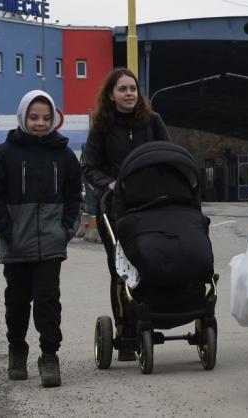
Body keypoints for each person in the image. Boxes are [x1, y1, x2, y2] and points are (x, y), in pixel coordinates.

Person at [0, 90, 82, 387]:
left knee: (48, 301)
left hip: (51, 245)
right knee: (17, 302)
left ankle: (49, 356)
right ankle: (17, 349)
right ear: (23, 116)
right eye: (34, 117)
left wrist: (66, 229)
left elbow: (75, 196)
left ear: (54, 120)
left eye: (46, 118)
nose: (40, 123)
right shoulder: (6, 152)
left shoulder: (63, 155)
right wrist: (7, 231)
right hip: (16, 246)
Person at [81, 67, 170, 362]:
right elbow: (89, 166)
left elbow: (167, 154)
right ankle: (126, 332)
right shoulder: (102, 128)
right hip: (116, 206)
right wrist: (109, 183)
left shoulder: (152, 121)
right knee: (122, 268)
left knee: (154, 261)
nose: (129, 93)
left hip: (152, 203)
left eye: (132, 88)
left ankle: (154, 314)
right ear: (111, 94)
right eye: (122, 89)